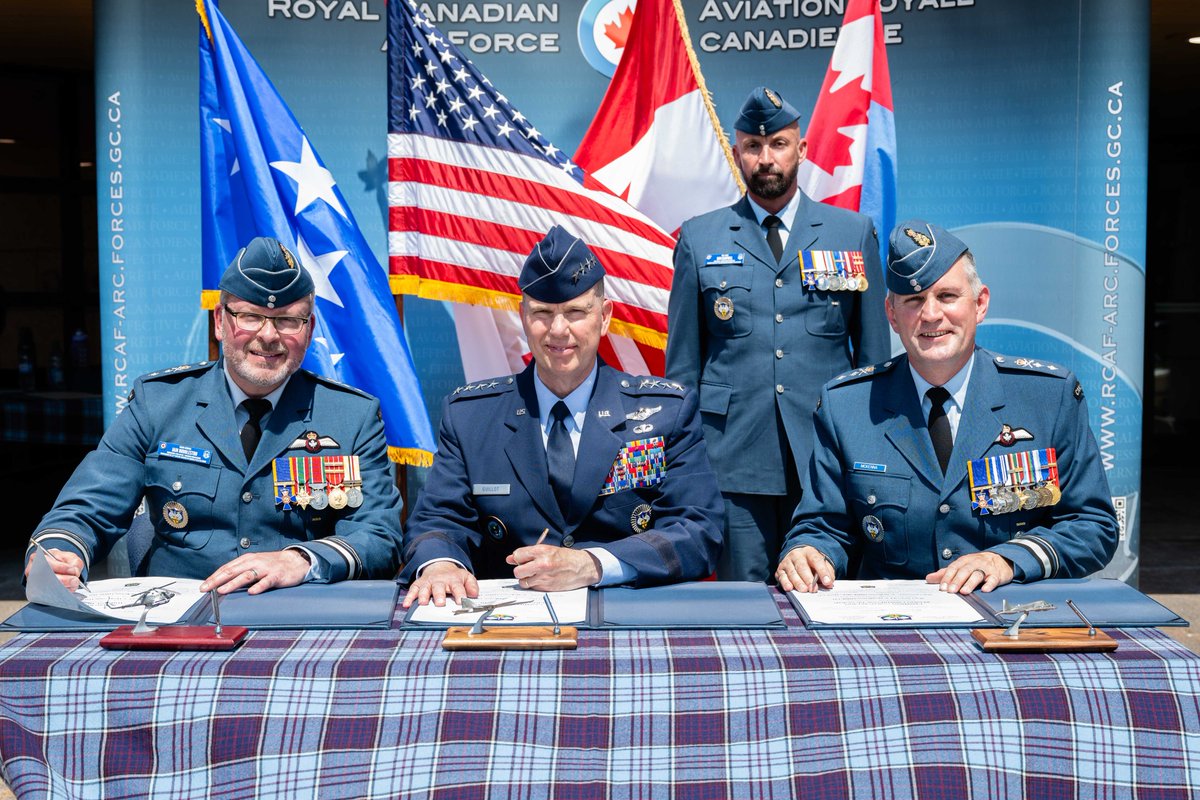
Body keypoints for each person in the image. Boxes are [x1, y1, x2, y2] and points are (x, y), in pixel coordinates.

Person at [26, 236, 404, 594]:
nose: (269, 335)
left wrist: (302, 560)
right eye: (251, 316)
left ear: (310, 329)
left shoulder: (351, 416)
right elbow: (87, 506)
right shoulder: (158, 403)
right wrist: (62, 554)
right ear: (220, 321)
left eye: (289, 320)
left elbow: (380, 535)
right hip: (182, 622)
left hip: (298, 617)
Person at [776, 219, 1118, 594]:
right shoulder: (849, 406)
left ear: (980, 304)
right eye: (913, 300)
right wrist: (808, 552)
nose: (931, 315)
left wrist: (1009, 559)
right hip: (895, 625)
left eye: (947, 296)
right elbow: (824, 525)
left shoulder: (1047, 399)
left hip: (1012, 619)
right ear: (891, 314)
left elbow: (1092, 525)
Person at [402, 225, 723, 608]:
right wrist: (440, 565)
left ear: (604, 317)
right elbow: (438, 520)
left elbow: (699, 531)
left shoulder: (666, 412)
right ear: (523, 316)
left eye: (575, 312)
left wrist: (592, 565)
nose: (558, 330)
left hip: (626, 616)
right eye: (542, 312)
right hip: (506, 625)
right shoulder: (470, 417)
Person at [665, 85, 891, 582]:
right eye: (753, 146)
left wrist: (870, 455)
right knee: (744, 607)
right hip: (732, 461)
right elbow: (682, 369)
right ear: (737, 152)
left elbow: (874, 362)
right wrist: (686, 464)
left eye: (779, 145)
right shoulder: (698, 238)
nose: (766, 159)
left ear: (802, 150)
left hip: (826, 459)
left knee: (824, 598)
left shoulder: (851, 233)